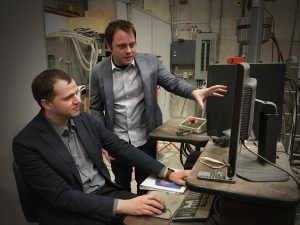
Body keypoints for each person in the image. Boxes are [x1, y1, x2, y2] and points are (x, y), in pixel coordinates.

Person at [12, 69, 189, 225]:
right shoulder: (27, 143)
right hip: (69, 212)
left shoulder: (83, 119)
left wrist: (168, 173)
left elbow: (122, 148)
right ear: (46, 104)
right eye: (68, 97)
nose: (78, 101)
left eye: (77, 92)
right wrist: (124, 206)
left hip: (104, 193)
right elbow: (62, 197)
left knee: (159, 214)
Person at [89, 19, 227, 195]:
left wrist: (194, 92)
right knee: (121, 183)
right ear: (109, 46)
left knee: (145, 183)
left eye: (132, 44)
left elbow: (172, 82)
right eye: (122, 46)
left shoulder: (150, 62)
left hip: (146, 137)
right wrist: (103, 140)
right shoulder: (98, 71)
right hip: (117, 140)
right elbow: (95, 108)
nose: (129, 50)